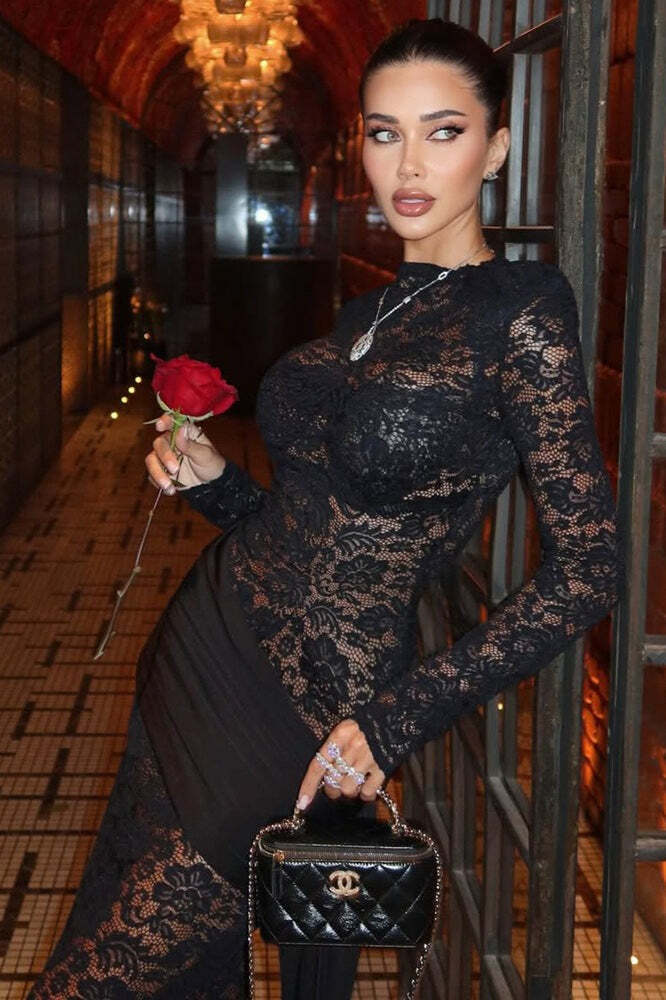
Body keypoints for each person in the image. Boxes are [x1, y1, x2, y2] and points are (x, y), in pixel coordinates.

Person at [27, 16, 624, 1000]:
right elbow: (312, 521)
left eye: (442, 131)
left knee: (102, 976)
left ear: (497, 148)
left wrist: (396, 718)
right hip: (209, 647)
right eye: (385, 133)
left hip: (318, 713)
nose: (408, 164)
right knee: (139, 948)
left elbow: (590, 570)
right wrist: (213, 482)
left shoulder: (521, 310)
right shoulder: (368, 309)